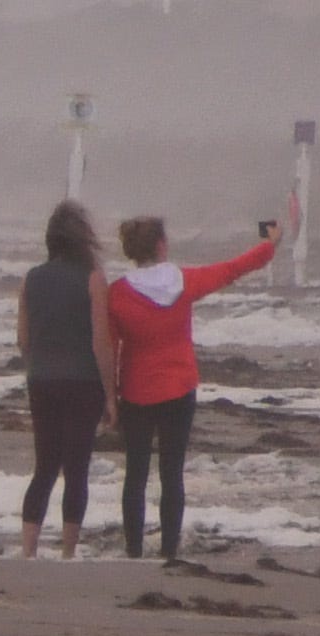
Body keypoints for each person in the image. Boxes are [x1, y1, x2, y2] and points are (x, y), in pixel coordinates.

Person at [101, 209, 280, 561]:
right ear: (162, 245)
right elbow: (233, 269)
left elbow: (109, 349)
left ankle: (134, 550)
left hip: (137, 391)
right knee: (172, 472)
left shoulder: (117, 295)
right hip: (180, 387)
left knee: (135, 475)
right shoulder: (183, 282)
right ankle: (169, 550)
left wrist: (109, 397)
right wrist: (270, 242)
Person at [11, 200, 115, 557]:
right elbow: (101, 342)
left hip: (41, 381)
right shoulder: (92, 279)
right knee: (76, 469)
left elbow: (23, 339)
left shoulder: (31, 278)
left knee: (44, 467)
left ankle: (28, 549)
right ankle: (68, 552)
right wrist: (111, 395)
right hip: (83, 382)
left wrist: (39, 365)